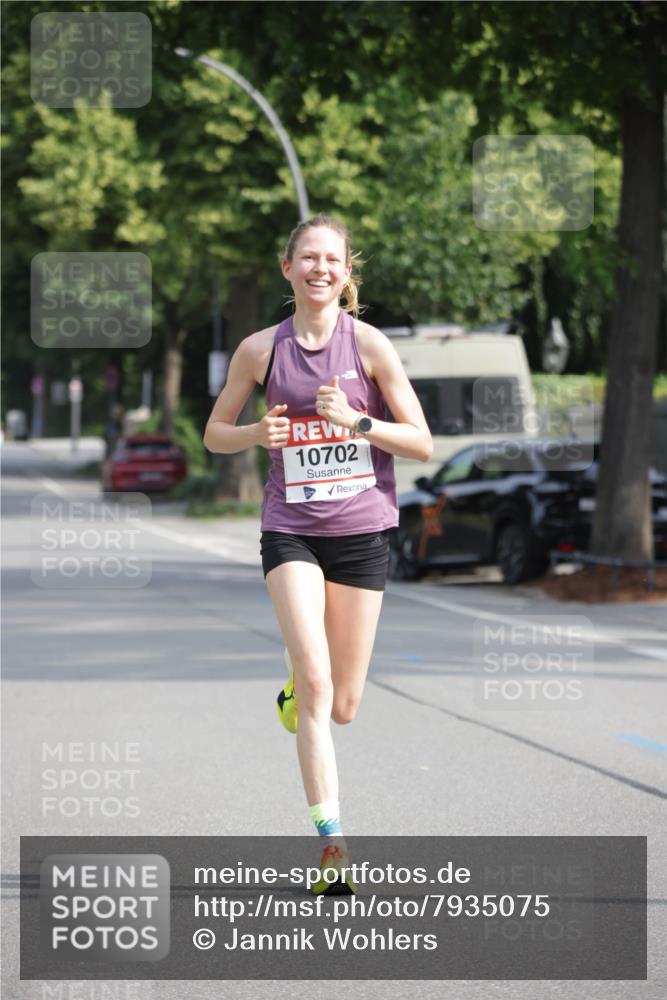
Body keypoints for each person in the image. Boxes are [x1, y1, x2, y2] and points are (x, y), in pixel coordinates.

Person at [203, 214, 432, 894]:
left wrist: (357, 422)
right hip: (291, 530)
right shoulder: (258, 351)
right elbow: (215, 433)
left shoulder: (369, 346)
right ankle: (332, 848)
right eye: (307, 258)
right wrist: (256, 433)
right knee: (317, 682)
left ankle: (295, 692)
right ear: (287, 268)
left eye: (331, 259)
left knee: (343, 706)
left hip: (362, 533)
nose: (319, 269)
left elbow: (420, 442)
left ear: (345, 272)